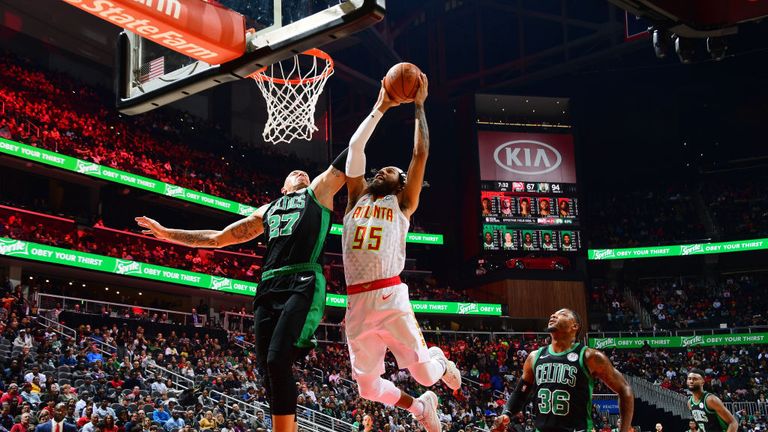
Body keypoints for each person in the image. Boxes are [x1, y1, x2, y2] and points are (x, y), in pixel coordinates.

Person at [136, 131, 352, 432]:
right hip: (267, 286)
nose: (299, 172)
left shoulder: (317, 192)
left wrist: (381, 106)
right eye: (292, 173)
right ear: (283, 187)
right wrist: (167, 233)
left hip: (301, 279)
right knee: (267, 368)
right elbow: (217, 238)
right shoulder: (267, 210)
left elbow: (348, 154)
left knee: (277, 360)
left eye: (301, 171)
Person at [341, 74, 460, 432]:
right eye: (380, 170)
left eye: (389, 170)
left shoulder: (404, 203)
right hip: (357, 302)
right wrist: (380, 108)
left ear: (402, 182)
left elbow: (419, 153)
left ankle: (439, 361)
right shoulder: (355, 198)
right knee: (368, 387)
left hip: (390, 296)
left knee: (425, 374)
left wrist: (420, 105)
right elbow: (356, 148)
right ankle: (419, 408)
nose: (381, 171)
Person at [492, 309, 634, 432]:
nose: (553, 315)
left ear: (575, 326)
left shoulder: (590, 356)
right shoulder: (534, 357)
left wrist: (624, 429)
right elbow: (520, 392)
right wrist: (506, 414)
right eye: (553, 314)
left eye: (562, 314)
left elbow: (625, 389)